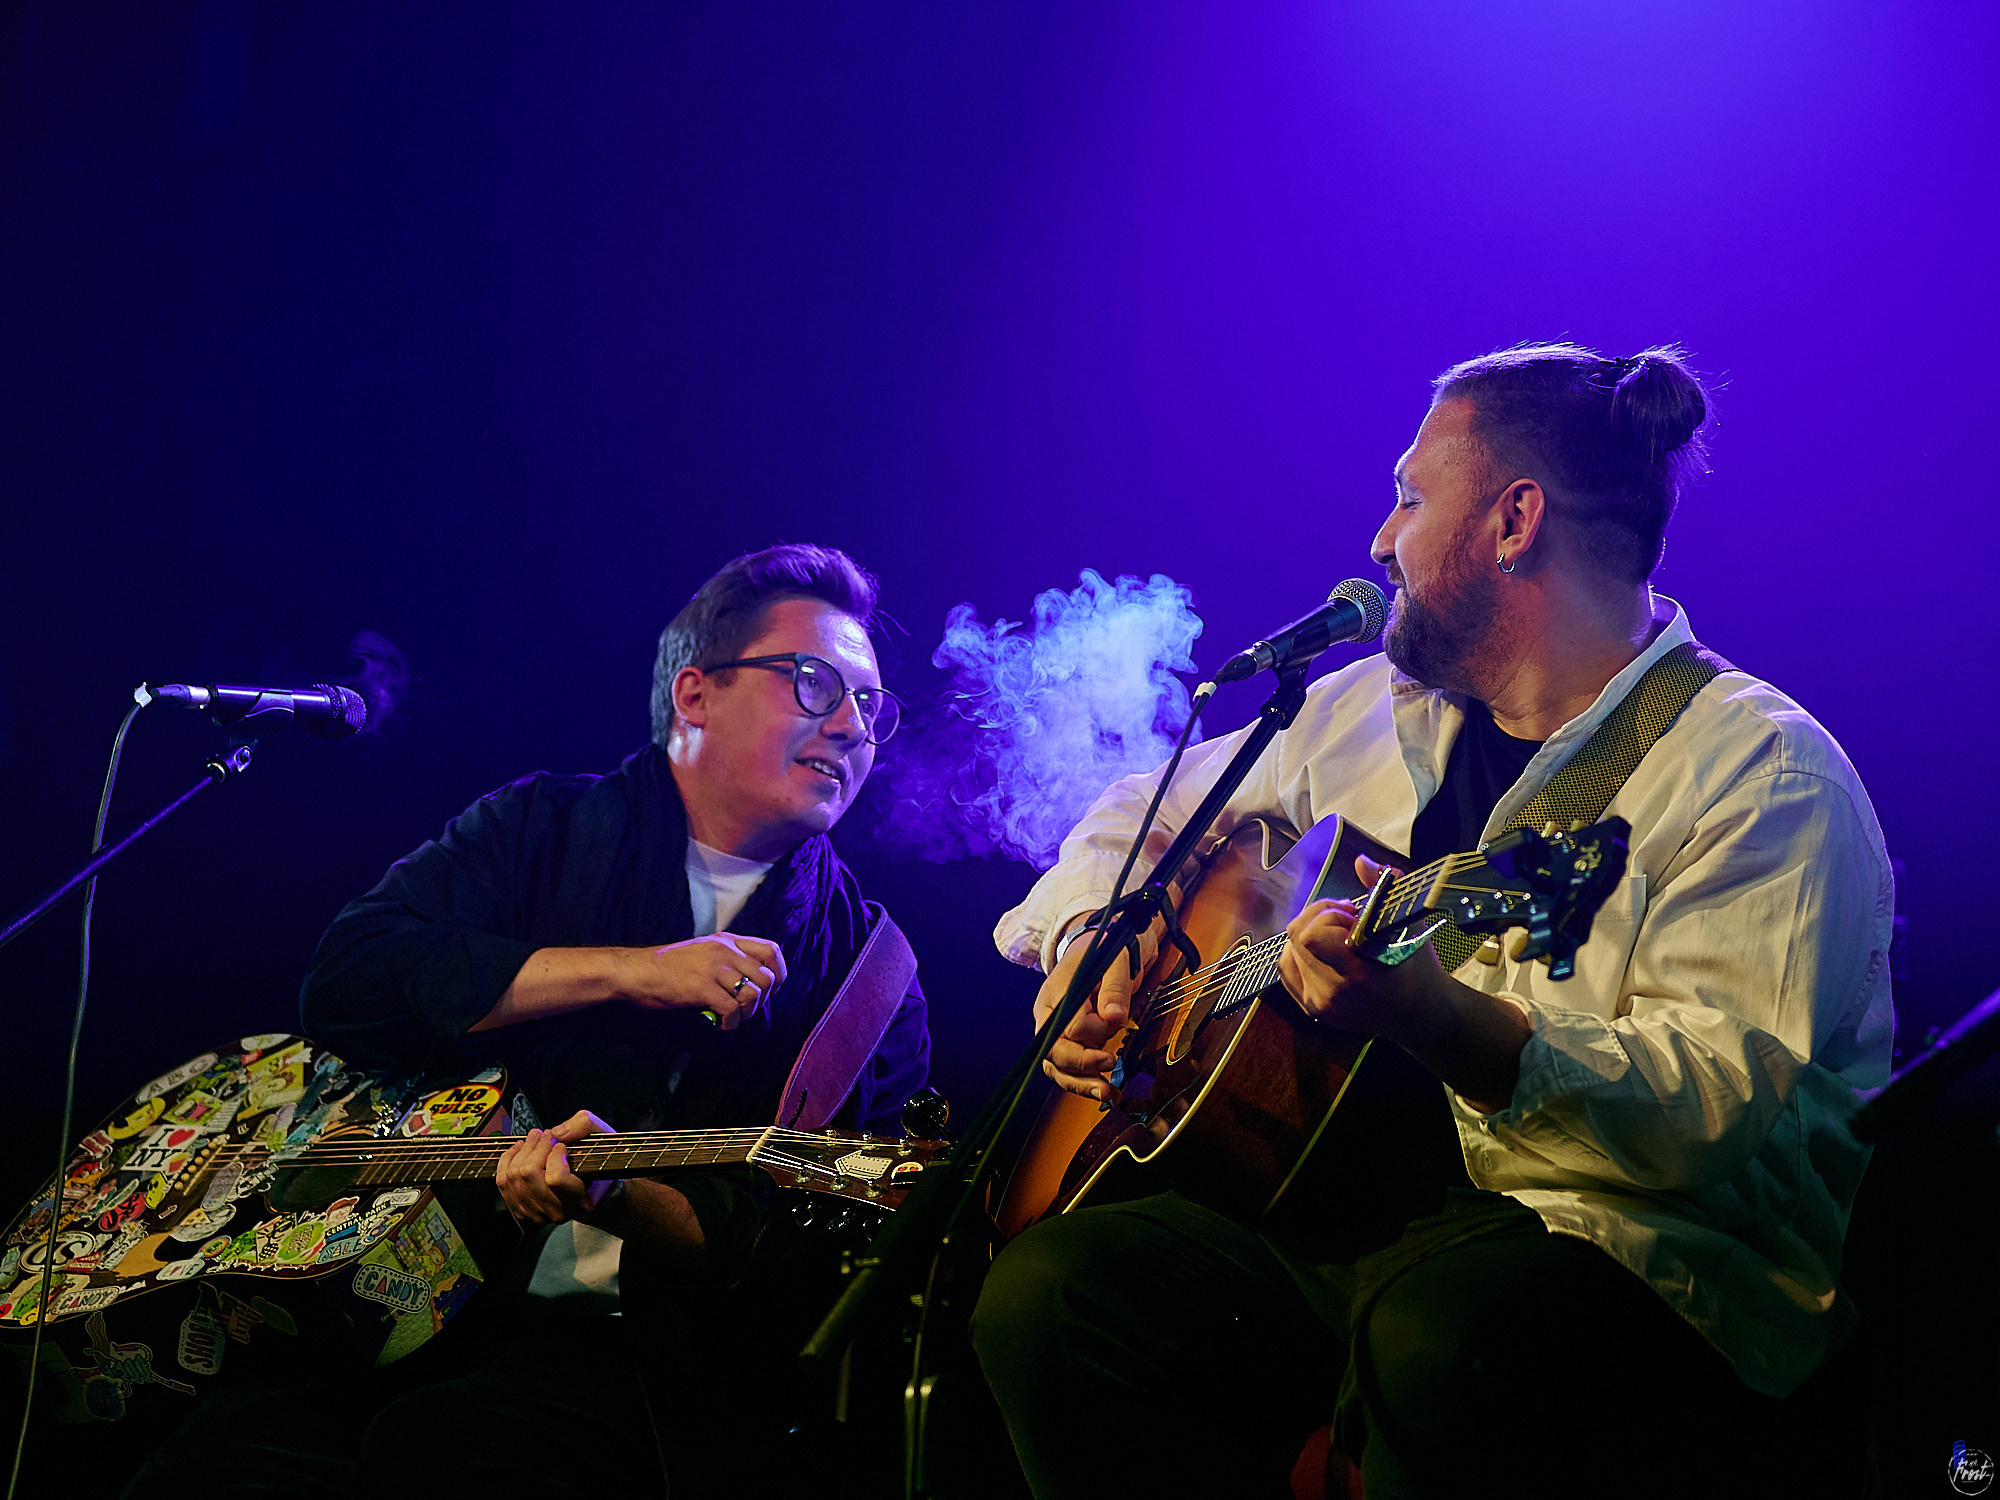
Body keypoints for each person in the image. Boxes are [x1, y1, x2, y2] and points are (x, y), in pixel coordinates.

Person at [971, 346, 1893, 1498]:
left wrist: (1448, 1023)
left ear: (1513, 520)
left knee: (1440, 1341)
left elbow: (1708, 1111)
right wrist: (1084, 952)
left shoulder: (1758, 770)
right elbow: (1132, 816)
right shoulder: (1372, 706)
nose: (1376, 540)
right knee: (1052, 1293)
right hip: (1340, 1220)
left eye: (1409, 497)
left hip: (1622, 1261)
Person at [123, 542, 929, 1498]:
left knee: (456, 1450)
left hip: (631, 1371)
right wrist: (632, 973)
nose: (849, 727)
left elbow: (804, 1250)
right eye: (812, 683)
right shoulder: (537, 828)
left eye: (870, 706)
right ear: (696, 695)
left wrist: (612, 1191)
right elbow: (346, 977)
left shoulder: (871, 982)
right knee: (207, 1460)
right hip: (393, 1300)